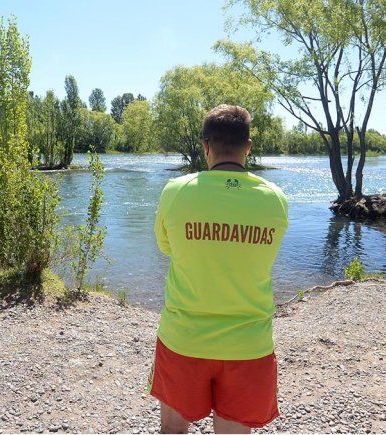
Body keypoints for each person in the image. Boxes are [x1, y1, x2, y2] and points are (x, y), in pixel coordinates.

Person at [149, 104, 289, 433]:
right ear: (249, 147)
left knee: (172, 430)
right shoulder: (275, 199)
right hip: (249, 345)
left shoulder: (176, 192)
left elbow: (166, 247)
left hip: (184, 338)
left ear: (205, 145)